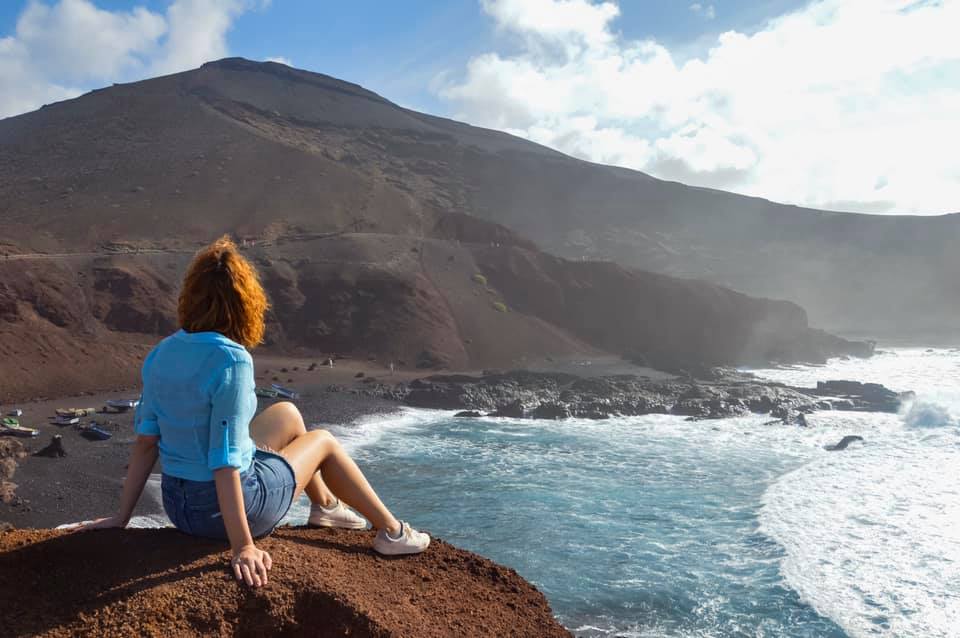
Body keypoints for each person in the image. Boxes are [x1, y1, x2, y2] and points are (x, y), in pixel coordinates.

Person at [76, 236, 429, 587]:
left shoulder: (162, 353)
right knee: (322, 441)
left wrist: (121, 517)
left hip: (178, 506)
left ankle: (326, 506)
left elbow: (146, 443)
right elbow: (225, 460)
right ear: (244, 303)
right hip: (225, 512)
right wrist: (243, 545)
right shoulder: (231, 359)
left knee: (288, 414)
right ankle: (392, 532)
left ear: (190, 298)